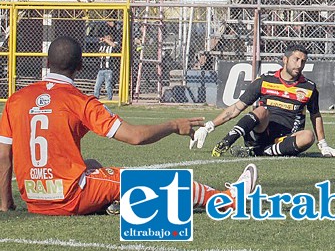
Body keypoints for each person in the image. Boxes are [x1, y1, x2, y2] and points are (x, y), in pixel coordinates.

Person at [0, 36, 258, 215]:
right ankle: (226, 200)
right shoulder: (80, 101)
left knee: (90, 166)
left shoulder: (16, 100)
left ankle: (116, 203)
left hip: (35, 200)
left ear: (47, 63)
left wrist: (6, 205)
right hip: (69, 197)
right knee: (149, 180)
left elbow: (4, 157)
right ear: (80, 66)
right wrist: (172, 125)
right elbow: (134, 136)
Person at [189, 44, 335, 158]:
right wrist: (209, 126)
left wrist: (323, 144)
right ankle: (227, 141)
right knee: (261, 110)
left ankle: (259, 152)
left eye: (303, 61)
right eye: (296, 59)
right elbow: (236, 108)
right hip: (259, 134)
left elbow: (315, 115)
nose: (299, 65)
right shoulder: (265, 80)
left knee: (308, 137)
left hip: (285, 138)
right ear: (285, 60)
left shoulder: (309, 87)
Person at [93, 21, 118, 100]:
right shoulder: (103, 46)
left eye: (108, 37)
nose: (106, 38)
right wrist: (101, 42)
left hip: (109, 69)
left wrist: (106, 40)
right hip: (101, 69)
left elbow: (114, 45)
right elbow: (100, 55)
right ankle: (95, 98)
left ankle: (110, 98)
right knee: (97, 85)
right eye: (106, 37)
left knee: (108, 85)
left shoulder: (114, 43)